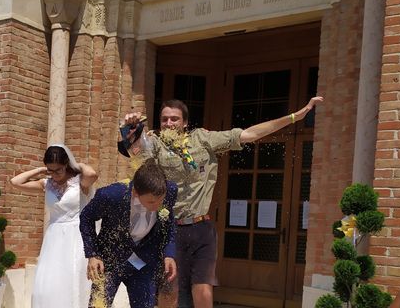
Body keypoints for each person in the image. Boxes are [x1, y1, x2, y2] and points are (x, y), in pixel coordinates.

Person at [122, 96, 323, 308]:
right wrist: (129, 129)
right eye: (164, 119)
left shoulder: (203, 139)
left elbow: (249, 134)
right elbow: (134, 154)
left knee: (203, 290)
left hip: (201, 228)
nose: (169, 123)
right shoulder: (155, 144)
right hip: (170, 229)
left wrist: (294, 117)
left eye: (175, 119)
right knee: (168, 290)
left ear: (185, 122)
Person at [79, 158, 178, 308]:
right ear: (136, 192)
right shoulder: (111, 195)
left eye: (161, 201)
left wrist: (169, 253)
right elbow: (86, 217)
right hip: (110, 260)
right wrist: (93, 254)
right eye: (152, 202)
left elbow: (169, 223)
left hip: (143, 261)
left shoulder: (170, 191)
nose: (158, 206)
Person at [10, 144, 98, 308]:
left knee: (73, 279)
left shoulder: (79, 182)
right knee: (50, 283)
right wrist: (39, 171)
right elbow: (15, 182)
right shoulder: (46, 184)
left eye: (58, 170)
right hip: (54, 238)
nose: (55, 174)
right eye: (51, 170)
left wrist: (76, 166)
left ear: (66, 164)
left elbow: (92, 174)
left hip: (76, 236)